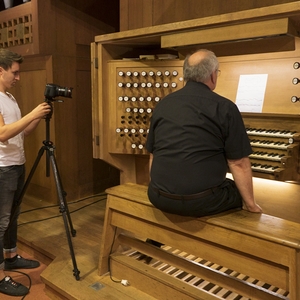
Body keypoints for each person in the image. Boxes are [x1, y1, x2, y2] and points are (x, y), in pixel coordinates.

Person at [146, 49, 262, 218]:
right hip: (200, 201)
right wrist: (251, 205)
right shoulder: (224, 107)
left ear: (186, 74)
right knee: (237, 191)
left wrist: (161, 189)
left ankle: (160, 235)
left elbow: (153, 156)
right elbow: (238, 163)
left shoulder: (164, 104)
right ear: (213, 75)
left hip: (157, 196)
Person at [0, 48, 51, 296]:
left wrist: (39, 114)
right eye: (15, 72)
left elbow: (21, 133)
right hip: (2, 168)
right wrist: (32, 113)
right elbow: (1, 134)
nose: (18, 77)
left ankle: (10, 258)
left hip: (16, 164)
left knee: (12, 218)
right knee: (1, 223)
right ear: (0, 70)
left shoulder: (9, 98)